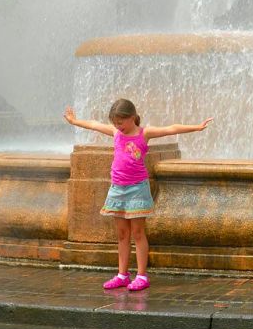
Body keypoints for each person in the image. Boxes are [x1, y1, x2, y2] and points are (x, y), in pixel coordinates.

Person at [64, 99, 213, 291]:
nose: (118, 126)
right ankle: (122, 275)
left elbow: (171, 128)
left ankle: (142, 276)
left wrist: (197, 127)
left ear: (132, 117)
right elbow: (94, 125)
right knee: (122, 234)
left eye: (121, 122)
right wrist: (74, 121)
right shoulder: (116, 133)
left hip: (137, 189)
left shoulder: (145, 134)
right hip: (117, 188)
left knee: (138, 233)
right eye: (115, 123)